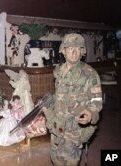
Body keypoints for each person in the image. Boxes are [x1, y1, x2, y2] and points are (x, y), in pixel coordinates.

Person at [43, 33, 103, 165]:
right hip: (57, 125)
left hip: (74, 129)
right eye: (70, 48)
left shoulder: (89, 73)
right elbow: (60, 94)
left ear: (82, 51)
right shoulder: (59, 71)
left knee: (69, 162)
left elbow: (97, 100)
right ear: (63, 51)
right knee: (55, 159)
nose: (74, 52)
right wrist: (49, 105)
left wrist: (90, 112)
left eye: (78, 48)